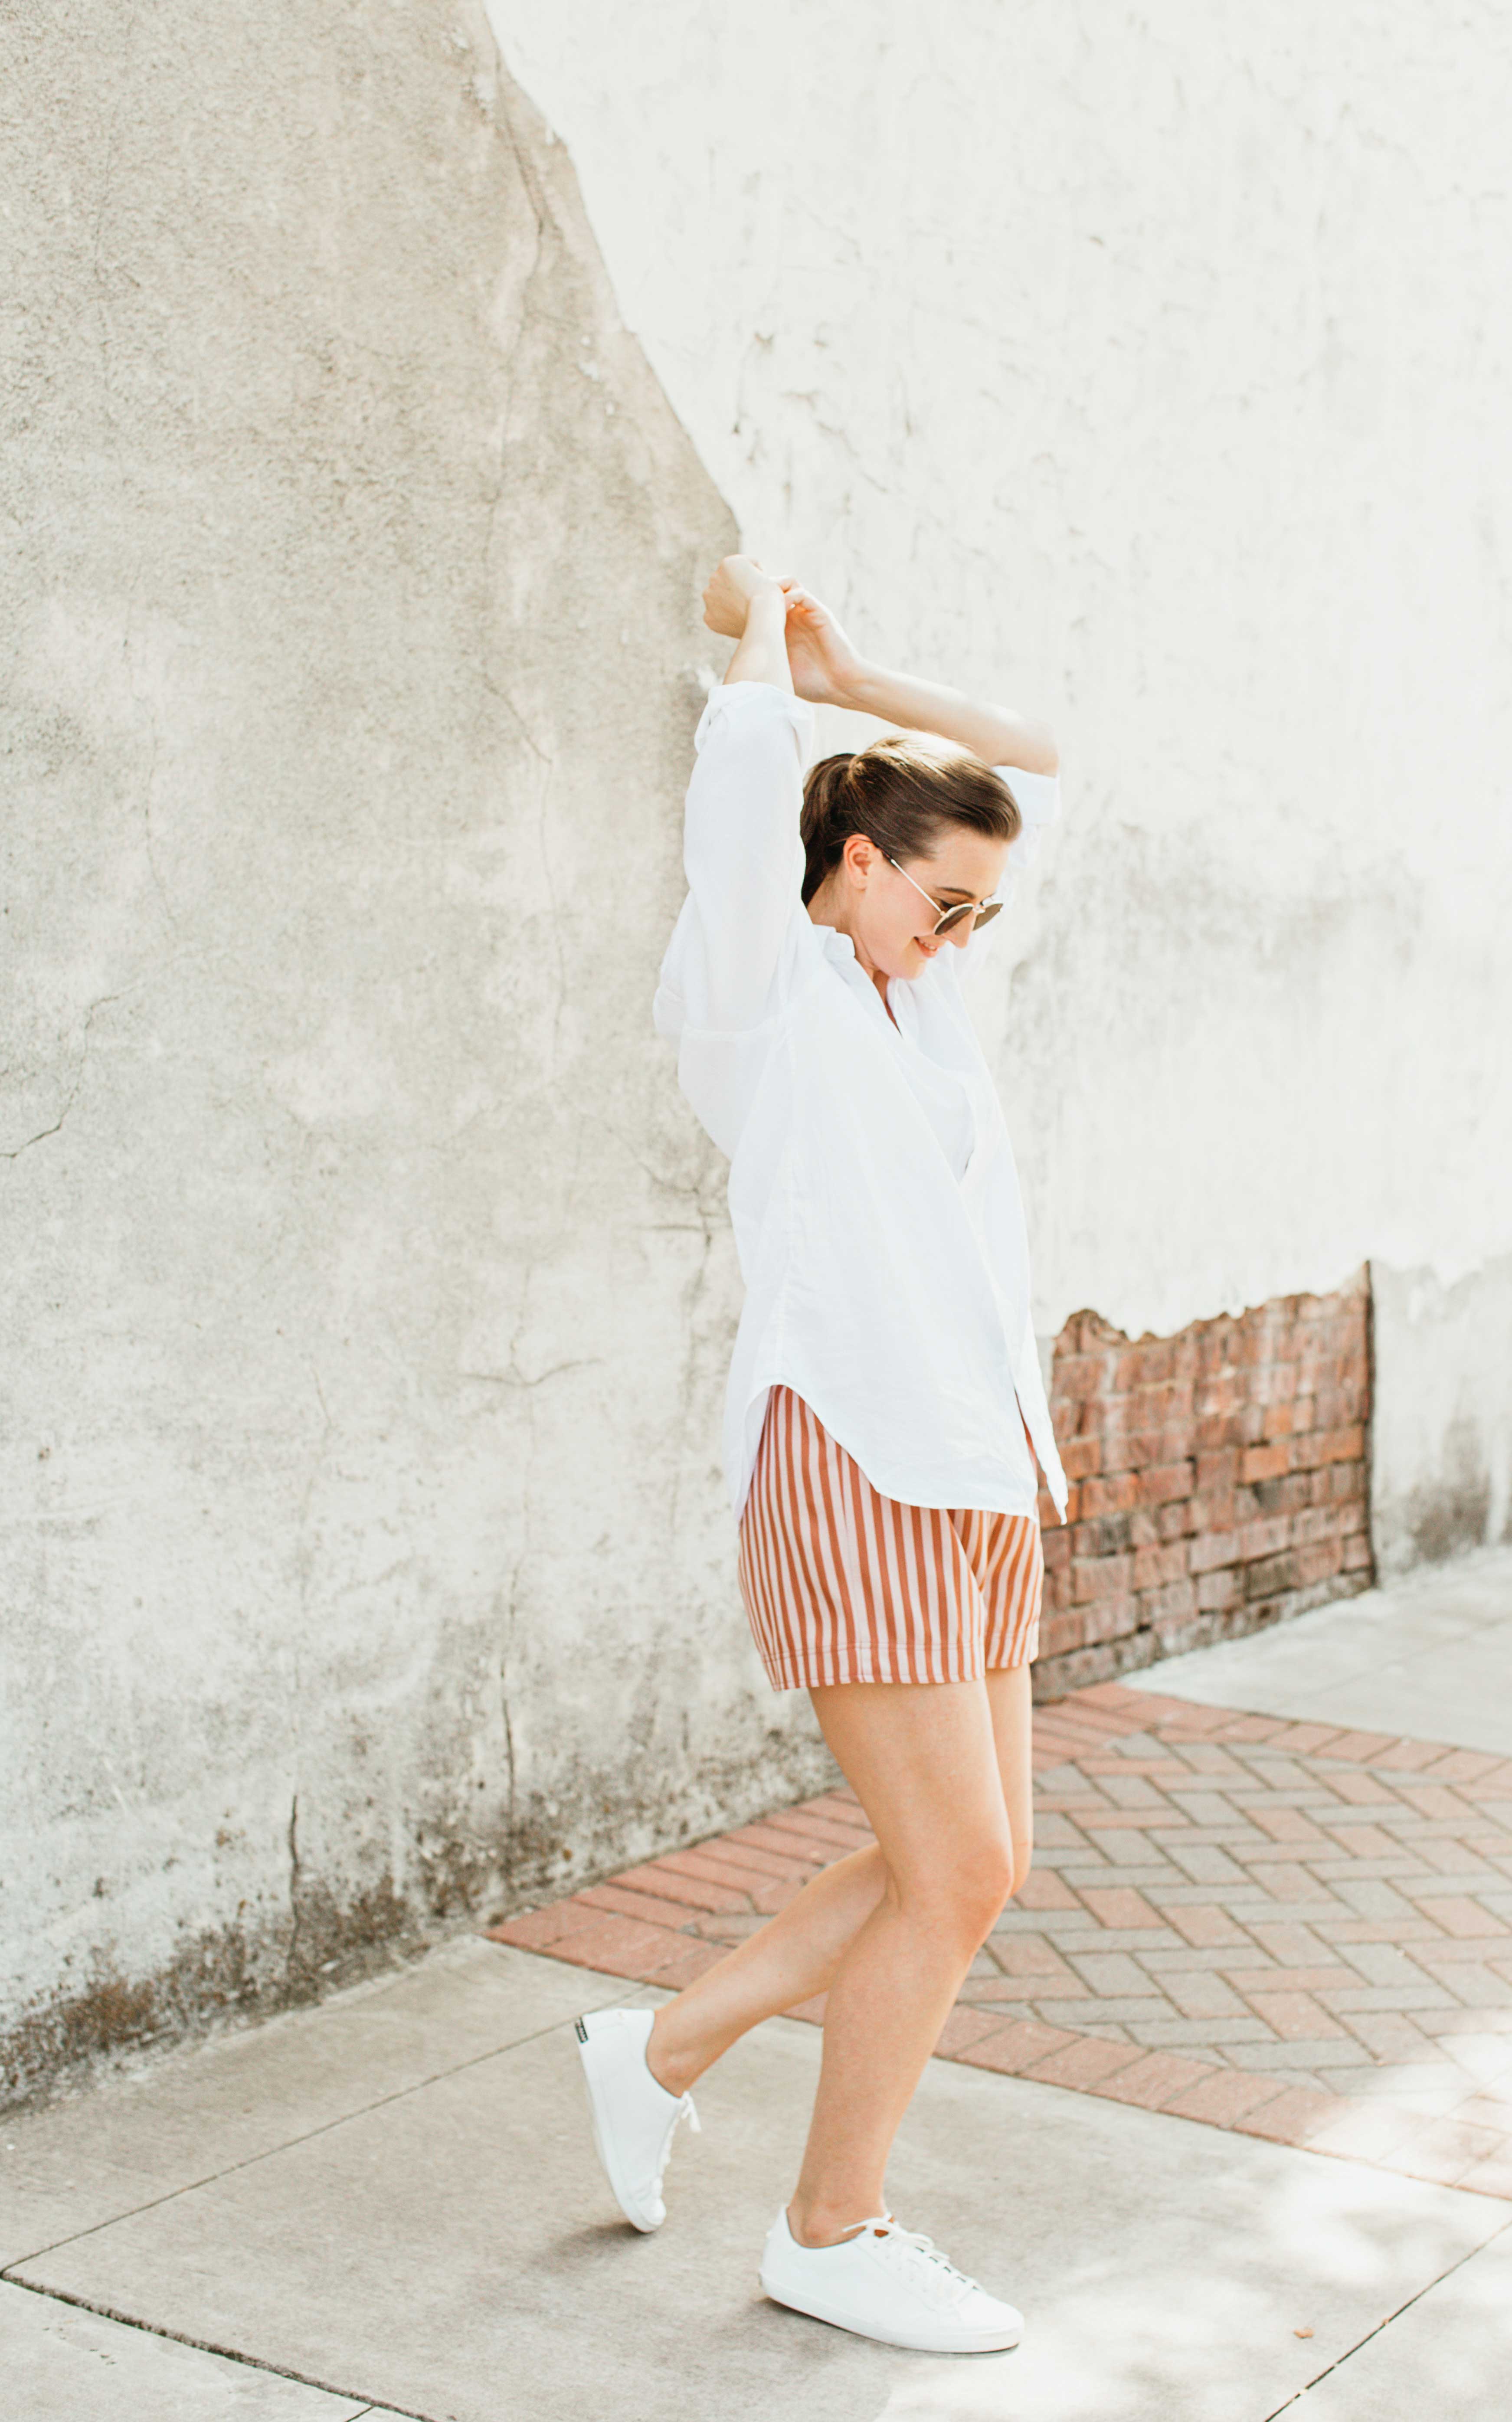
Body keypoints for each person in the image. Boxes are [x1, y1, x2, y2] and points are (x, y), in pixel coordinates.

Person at [574, 554, 1070, 2356]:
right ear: (853, 862)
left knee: (973, 1863)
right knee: (946, 1871)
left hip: (981, 1468)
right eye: (942, 901)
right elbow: (742, 785)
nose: (962, 937)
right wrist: (780, 659)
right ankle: (829, 2230)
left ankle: (660, 2048)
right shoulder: (761, 992)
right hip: (850, 1457)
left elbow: (1049, 758)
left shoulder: (920, 1001)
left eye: (980, 916)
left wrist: (877, 674)